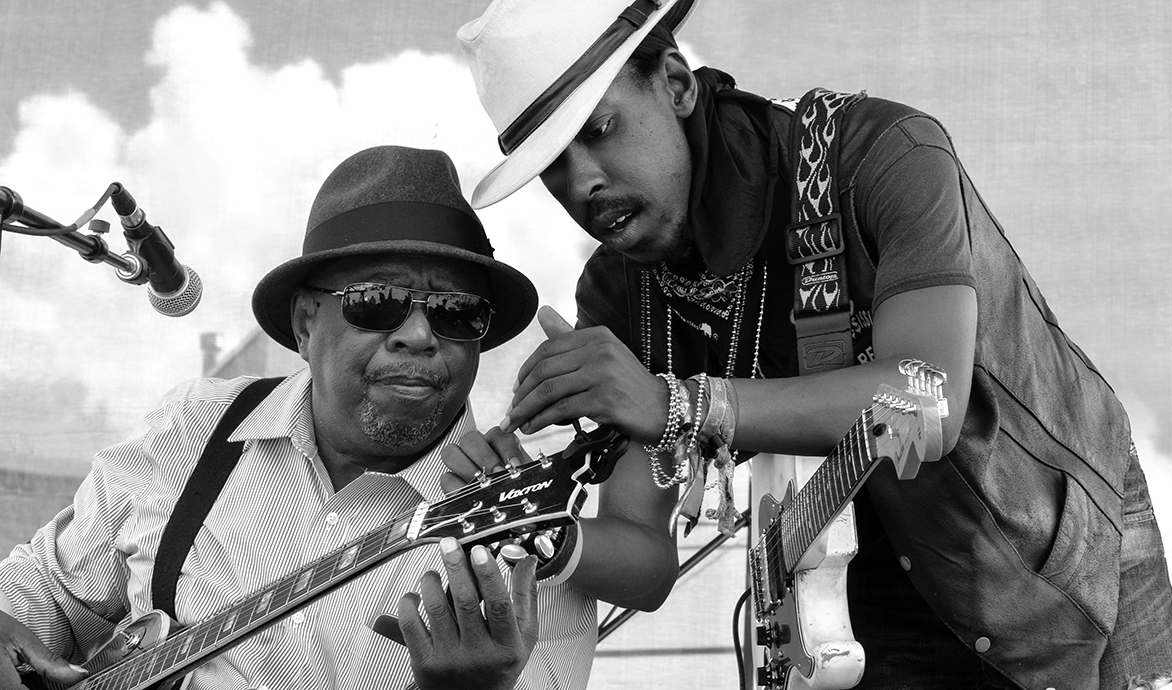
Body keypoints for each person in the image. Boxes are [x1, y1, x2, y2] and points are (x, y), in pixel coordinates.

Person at [454, 2, 1172, 689]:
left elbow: (925, 403)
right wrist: (540, 525)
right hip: (861, 607)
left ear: (675, 83)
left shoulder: (882, 154)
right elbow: (645, 565)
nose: (583, 181)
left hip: (1060, 549)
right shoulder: (618, 298)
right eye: (552, 165)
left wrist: (677, 403)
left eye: (600, 130)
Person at [0, 146, 677, 690]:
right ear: (304, 324)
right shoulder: (192, 430)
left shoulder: (524, 542)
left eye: (455, 311)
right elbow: (44, 593)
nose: (417, 335)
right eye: (377, 301)